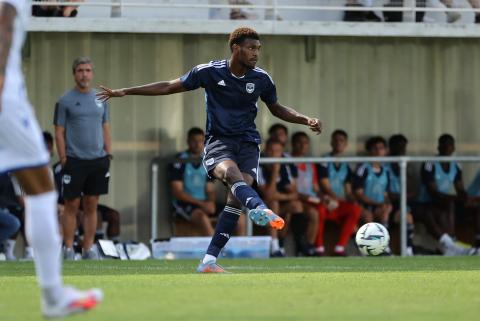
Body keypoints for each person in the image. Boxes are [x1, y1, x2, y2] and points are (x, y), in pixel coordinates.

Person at [97, 27, 322, 272]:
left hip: (247, 144)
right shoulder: (209, 72)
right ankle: (258, 207)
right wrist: (126, 91)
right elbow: (168, 86)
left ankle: (209, 261)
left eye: (258, 49)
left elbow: (276, 108)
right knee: (233, 176)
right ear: (235, 48)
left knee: (236, 199)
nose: (256, 53)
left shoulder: (262, 78)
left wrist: (305, 119)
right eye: (251, 48)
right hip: (219, 142)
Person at [0, 0, 102, 317]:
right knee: (42, 191)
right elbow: (4, 24)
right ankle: (53, 294)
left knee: (42, 190)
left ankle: (54, 294)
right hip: (6, 102)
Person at [54, 57, 112, 260]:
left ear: (92, 74)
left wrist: (108, 152)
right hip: (74, 160)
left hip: (98, 160)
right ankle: (68, 249)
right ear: (74, 74)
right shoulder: (65, 100)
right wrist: (63, 158)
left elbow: (105, 126)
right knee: (71, 205)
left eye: (88, 70)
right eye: (80, 70)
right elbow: (59, 131)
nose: (84, 74)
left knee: (92, 205)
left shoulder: (101, 98)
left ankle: (88, 249)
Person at [417, 134, 473, 255]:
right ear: (439, 147)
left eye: (450, 144)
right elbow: (433, 192)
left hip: (445, 200)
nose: (448, 147)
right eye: (444, 144)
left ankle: (474, 243)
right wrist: (455, 198)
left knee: (472, 206)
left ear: (454, 148)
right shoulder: (430, 164)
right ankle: (451, 241)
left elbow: (460, 188)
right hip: (427, 202)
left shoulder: (456, 164)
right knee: (448, 204)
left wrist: (465, 197)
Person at [316, 129, 361, 256]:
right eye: (335, 140)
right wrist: (335, 199)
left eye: (341, 140)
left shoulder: (346, 164)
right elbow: (324, 185)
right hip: (326, 201)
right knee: (319, 210)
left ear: (346, 144)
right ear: (331, 142)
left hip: (339, 204)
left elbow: (347, 188)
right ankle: (318, 248)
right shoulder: (324, 160)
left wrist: (353, 199)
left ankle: (340, 248)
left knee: (355, 209)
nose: (338, 143)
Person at [257, 138, 303, 257]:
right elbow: (268, 194)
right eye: (271, 151)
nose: (274, 154)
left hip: (278, 203)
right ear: (266, 150)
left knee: (295, 206)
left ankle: (281, 244)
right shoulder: (259, 164)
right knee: (273, 204)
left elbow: (293, 191)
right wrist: (275, 171)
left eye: (277, 152)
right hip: (258, 208)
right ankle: (275, 246)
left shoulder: (284, 164)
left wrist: (284, 195)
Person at [169, 127, 216, 237]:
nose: (197, 144)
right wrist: (202, 204)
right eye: (194, 141)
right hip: (185, 204)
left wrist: (211, 202)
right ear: (188, 141)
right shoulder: (180, 160)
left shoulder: (207, 160)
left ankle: (242, 252)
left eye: (201, 141)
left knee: (238, 216)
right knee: (202, 217)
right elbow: (177, 192)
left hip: (203, 203)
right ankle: (215, 252)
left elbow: (210, 189)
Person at [290, 131, 321, 256]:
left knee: (317, 212)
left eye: (305, 143)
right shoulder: (288, 160)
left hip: (308, 199)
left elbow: (315, 187)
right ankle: (301, 246)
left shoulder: (310, 163)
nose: (302, 145)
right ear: (292, 144)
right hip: (294, 198)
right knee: (303, 209)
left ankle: (309, 247)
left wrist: (322, 196)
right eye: (299, 142)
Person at [385, 134, 415, 256]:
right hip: (388, 203)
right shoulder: (384, 165)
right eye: (398, 146)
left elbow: (412, 191)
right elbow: (385, 191)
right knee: (394, 212)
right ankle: (384, 247)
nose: (401, 149)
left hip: (403, 202)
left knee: (407, 216)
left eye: (403, 146)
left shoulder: (406, 165)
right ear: (390, 148)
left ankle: (408, 249)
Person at [353, 136, 392, 228]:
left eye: (381, 148)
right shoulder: (363, 168)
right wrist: (378, 203)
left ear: (385, 151)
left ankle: (384, 241)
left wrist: (387, 203)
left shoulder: (386, 170)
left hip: (379, 206)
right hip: (364, 205)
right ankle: (368, 241)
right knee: (368, 217)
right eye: (375, 148)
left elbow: (385, 194)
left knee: (385, 211)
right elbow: (359, 194)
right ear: (369, 151)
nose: (378, 151)